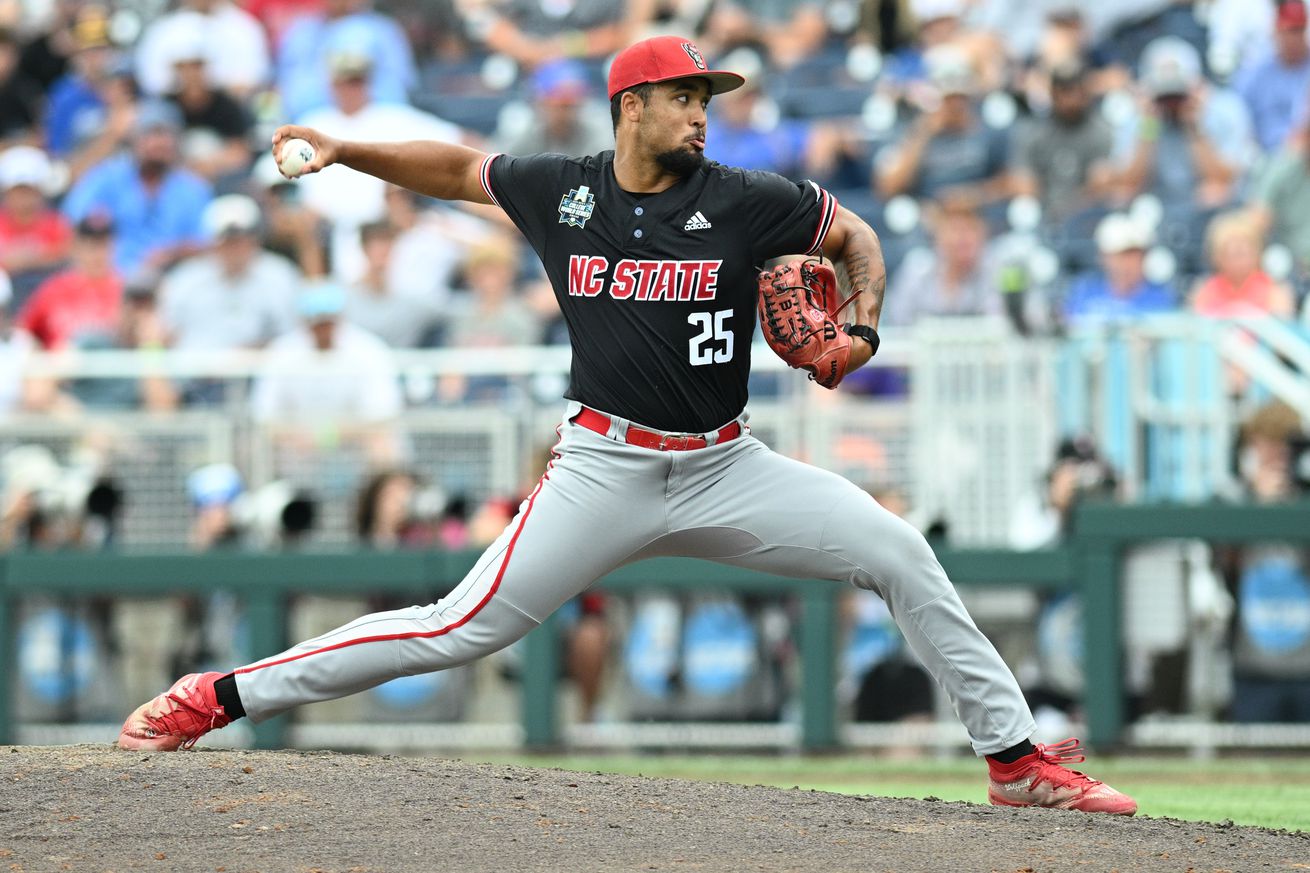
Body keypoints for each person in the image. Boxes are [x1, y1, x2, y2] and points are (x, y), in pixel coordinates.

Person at [117, 34, 1136, 816]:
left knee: (897, 549)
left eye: (706, 96)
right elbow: (454, 168)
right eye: (683, 96)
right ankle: (213, 697)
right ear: (630, 106)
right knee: (456, 628)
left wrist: (860, 329)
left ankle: (1014, 761)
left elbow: (854, 234)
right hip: (603, 464)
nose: (700, 113)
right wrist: (345, 151)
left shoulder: (744, 200)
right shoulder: (561, 195)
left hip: (725, 466)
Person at [60, 100, 213, 278]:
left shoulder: (193, 189)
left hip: (173, 281)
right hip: (108, 279)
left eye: (166, 135)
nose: (158, 143)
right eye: (151, 134)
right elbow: (72, 221)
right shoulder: (107, 177)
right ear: (135, 139)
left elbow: (207, 243)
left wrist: (173, 253)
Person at [1011, 61, 1115, 223]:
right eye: (1065, 91)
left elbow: (1099, 187)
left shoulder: (1101, 131)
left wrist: (1064, 211)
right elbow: (1025, 185)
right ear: (1052, 93)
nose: (1071, 99)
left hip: (1087, 218)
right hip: (1043, 217)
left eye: (1077, 90)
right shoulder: (1035, 132)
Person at [1061, 212, 1175, 325]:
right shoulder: (1084, 293)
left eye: (1134, 254)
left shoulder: (1161, 298)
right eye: (1120, 255)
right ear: (1103, 257)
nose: (1128, 263)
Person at [1232, 0, 1310, 155]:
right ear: (1276, 30)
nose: (1295, 38)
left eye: (1299, 30)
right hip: (1266, 158)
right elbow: (1235, 115)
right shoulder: (1256, 72)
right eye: (1290, 30)